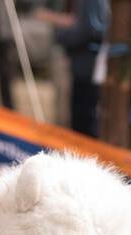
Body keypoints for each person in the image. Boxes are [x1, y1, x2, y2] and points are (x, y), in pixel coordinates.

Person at [37, 0, 109, 138]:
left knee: (84, 123)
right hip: (84, 66)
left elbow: (87, 30)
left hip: (86, 68)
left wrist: (59, 34)